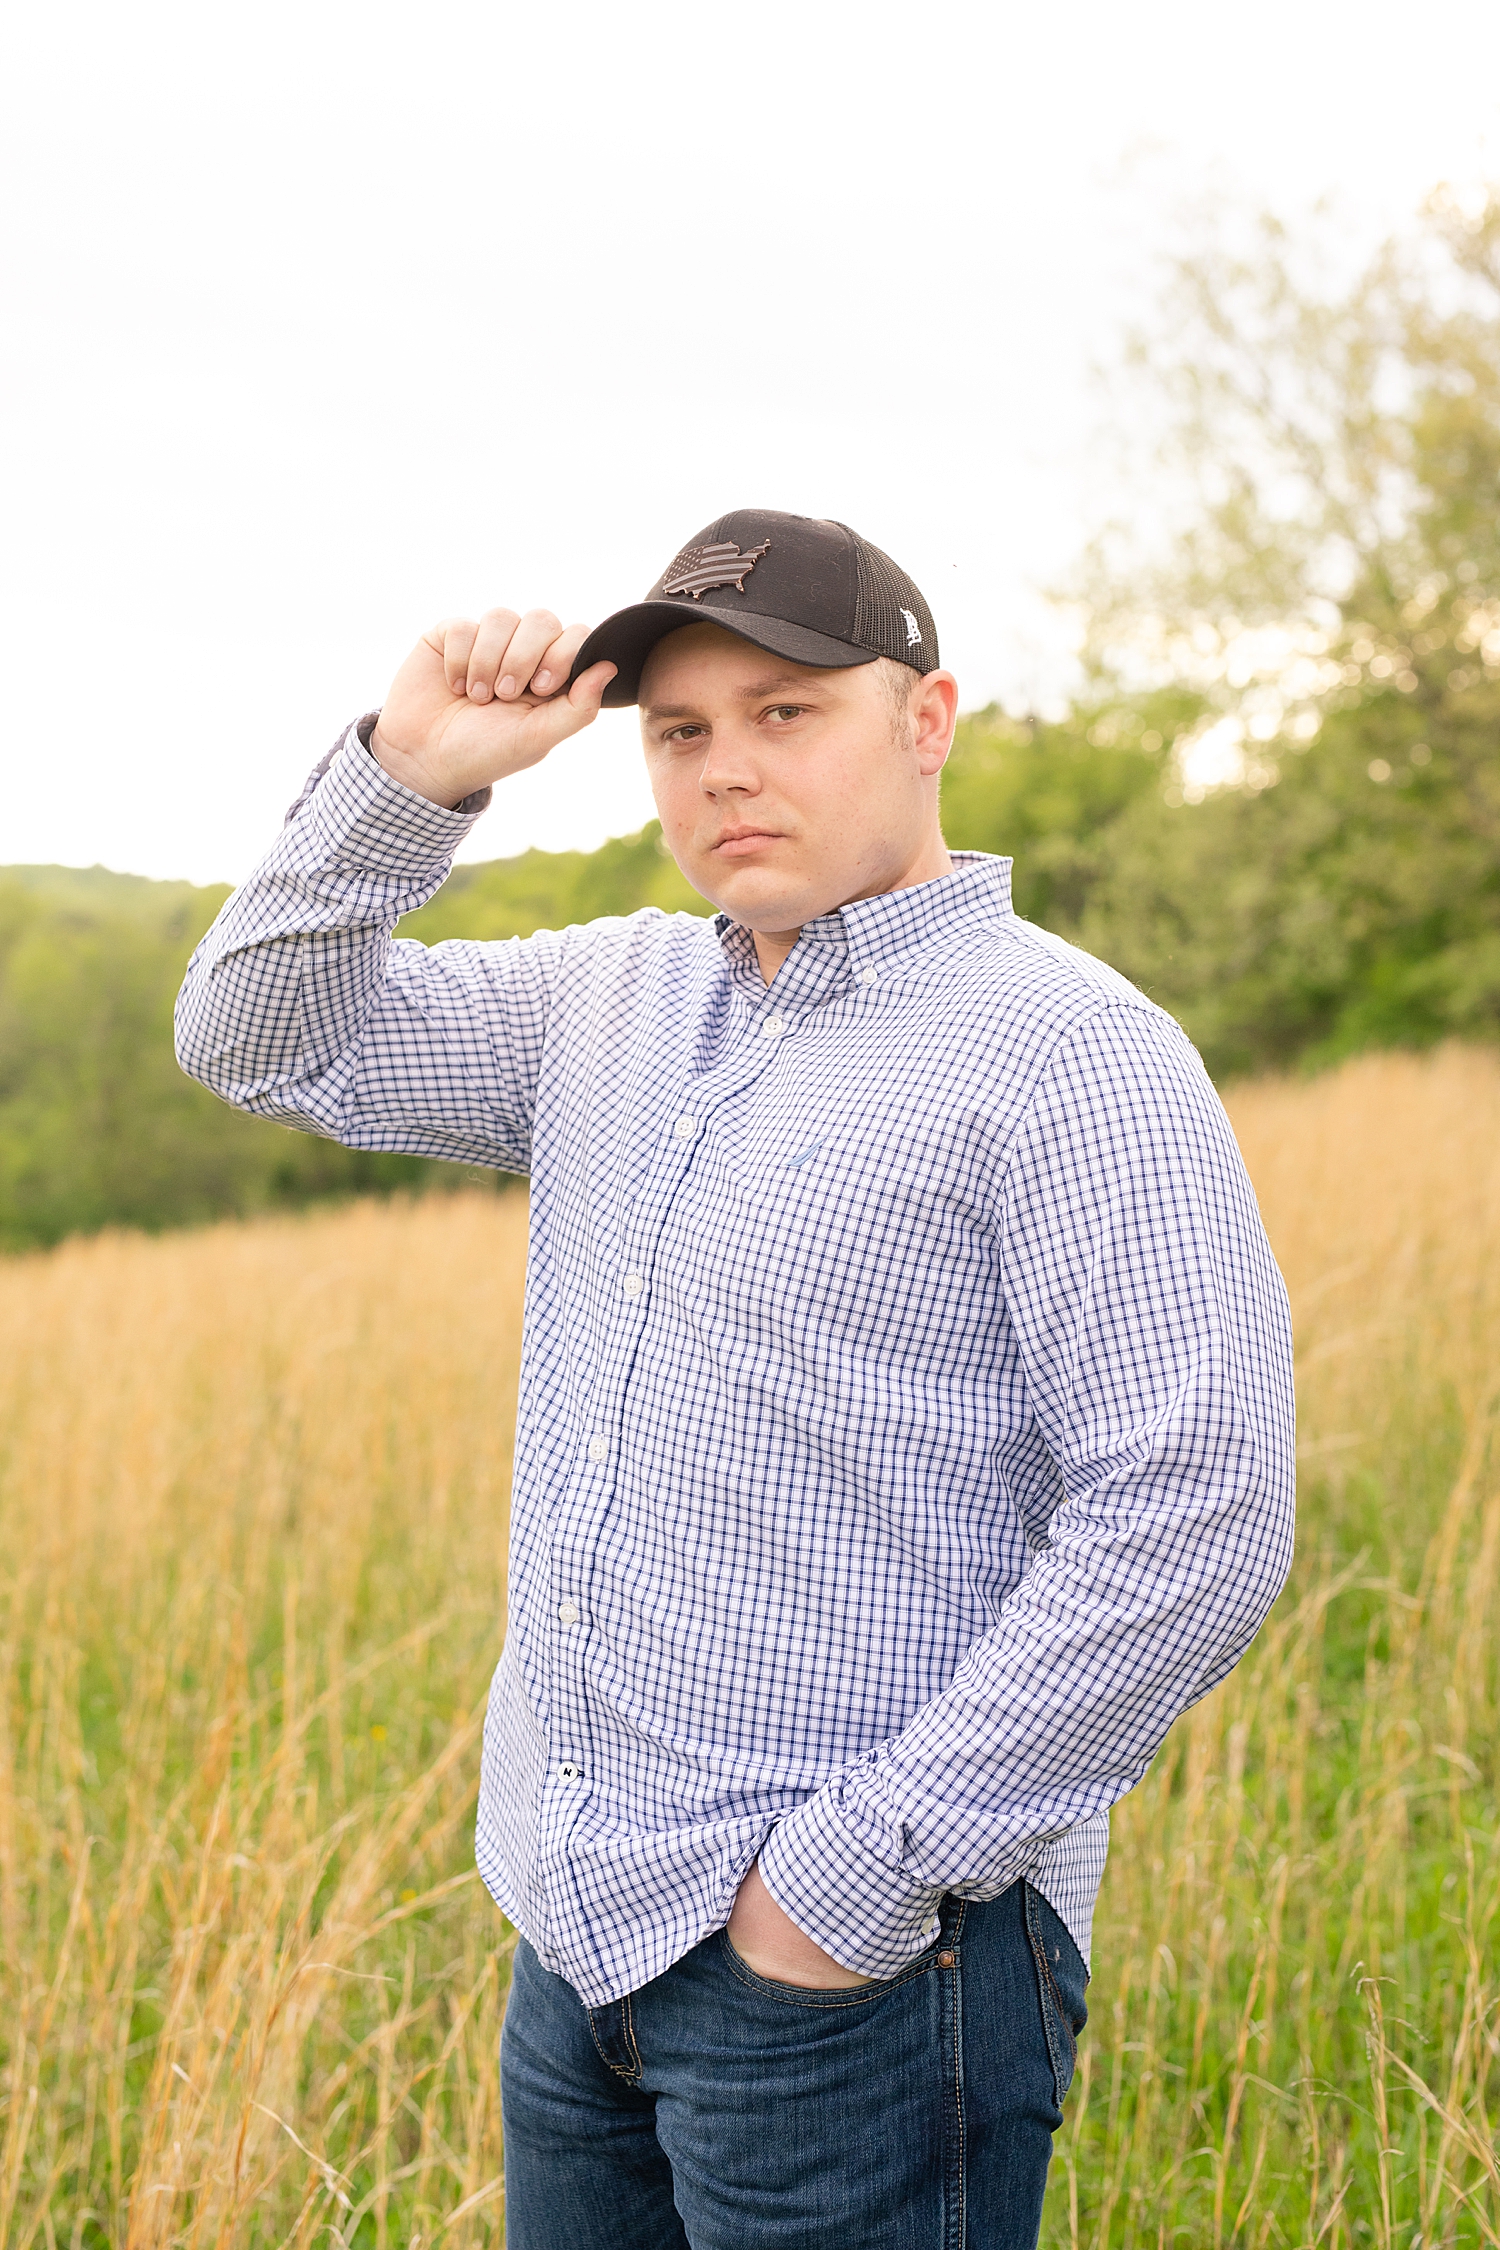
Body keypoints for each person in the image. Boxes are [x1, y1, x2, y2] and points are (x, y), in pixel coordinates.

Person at [176, 509, 1296, 2248]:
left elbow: (1197, 1513)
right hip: (578, 1942)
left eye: (785, 715)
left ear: (925, 722)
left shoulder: (1077, 1058)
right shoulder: (603, 1001)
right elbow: (258, 1035)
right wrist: (414, 774)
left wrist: (843, 1888)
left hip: (855, 1979)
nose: (725, 773)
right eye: (681, 732)